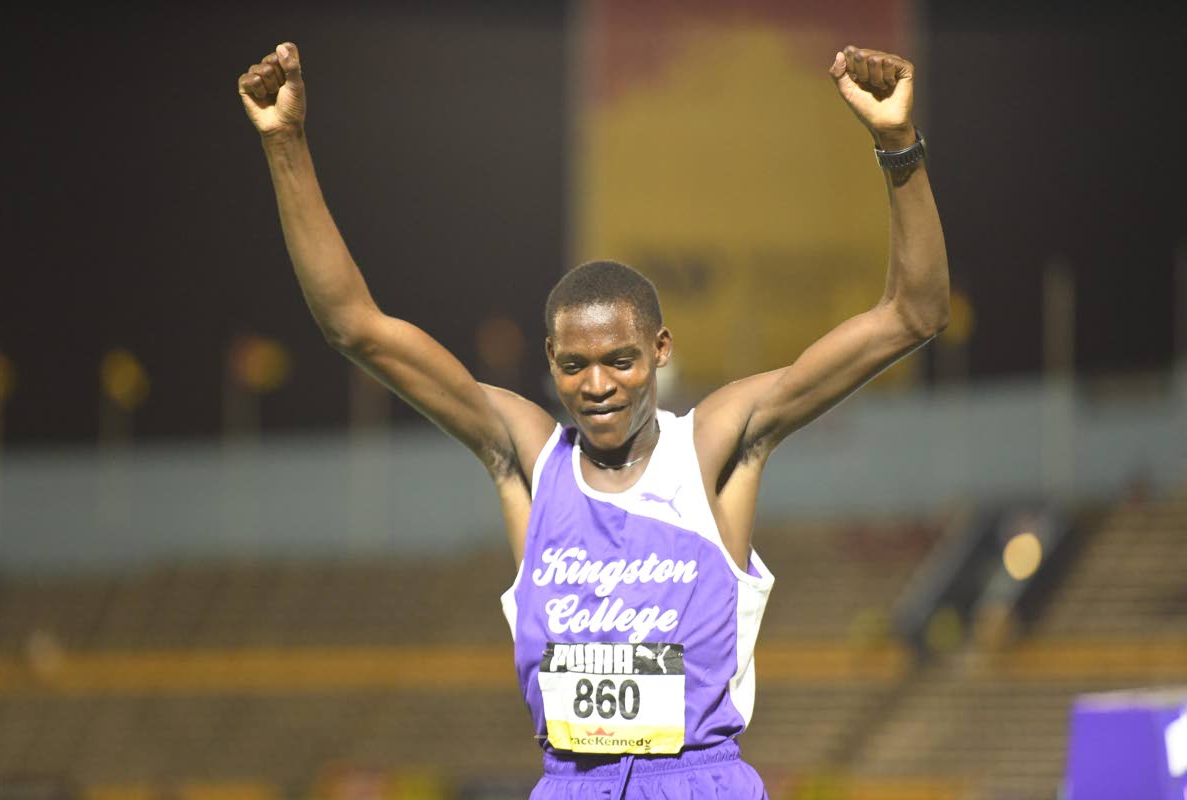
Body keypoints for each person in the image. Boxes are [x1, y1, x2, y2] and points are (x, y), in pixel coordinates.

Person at [238, 40, 948, 800]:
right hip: (572, 783)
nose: (599, 384)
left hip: (697, 782)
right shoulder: (526, 457)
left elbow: (913, 314)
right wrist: (286, 144)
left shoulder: (715, 446)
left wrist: (898, 144)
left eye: (621, 360)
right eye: (575, 365)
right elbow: (355, 326)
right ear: (550, 360)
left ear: (659, 350)